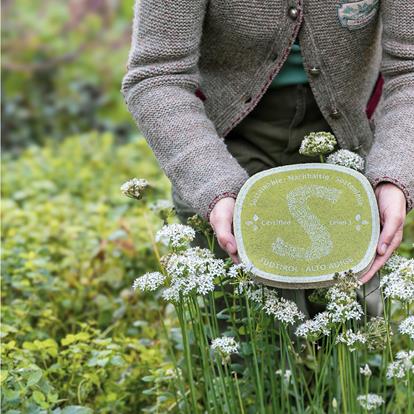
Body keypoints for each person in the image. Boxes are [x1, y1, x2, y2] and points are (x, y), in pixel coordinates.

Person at [121, 1, 413, 317]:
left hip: (347, 136)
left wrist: (395, 172)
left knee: (349, 335)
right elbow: (158, 76)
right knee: (251, 333)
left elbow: (409, 67)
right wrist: (214, 185)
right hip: (223, 141)